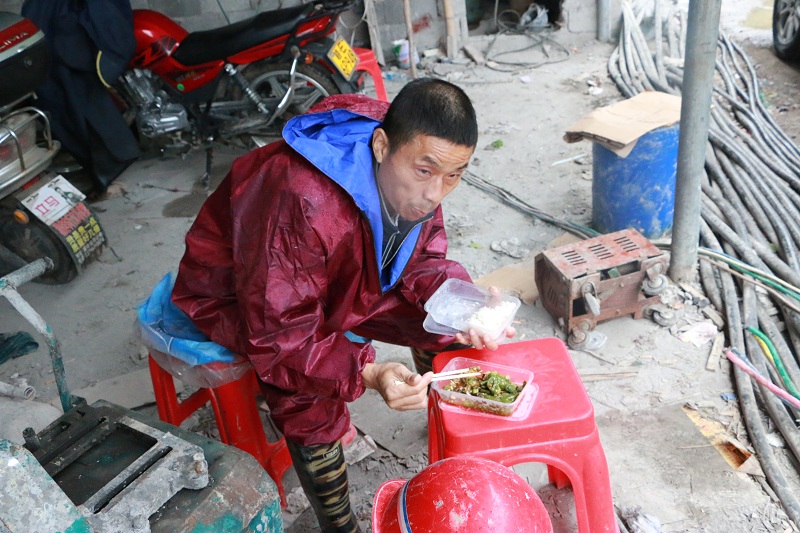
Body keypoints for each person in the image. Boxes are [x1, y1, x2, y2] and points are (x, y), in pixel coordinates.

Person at [171, 78, 515, 532]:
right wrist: (368, 371)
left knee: (443, 320)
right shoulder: (300, 199)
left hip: (341, 281)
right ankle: (340, 526)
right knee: (305, 393)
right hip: (240, 295)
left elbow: (421, 259)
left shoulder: (417, 163)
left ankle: (448, 436)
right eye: (425, 171)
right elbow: (282, 336)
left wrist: (467, 306)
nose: (436, 193)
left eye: (454, 175)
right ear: (381, 146)